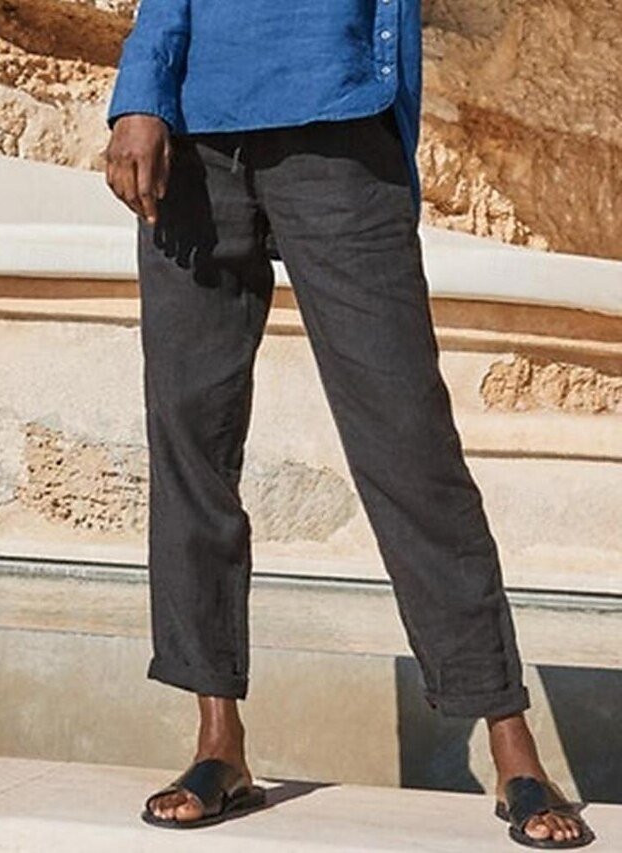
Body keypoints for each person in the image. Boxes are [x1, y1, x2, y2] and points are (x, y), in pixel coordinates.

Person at [104, 1, 595, 847]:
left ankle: (513, 744)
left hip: (340, 129)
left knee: (410, 445)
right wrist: (139, 96)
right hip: (193, 135)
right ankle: (219, 742)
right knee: (190, 439)